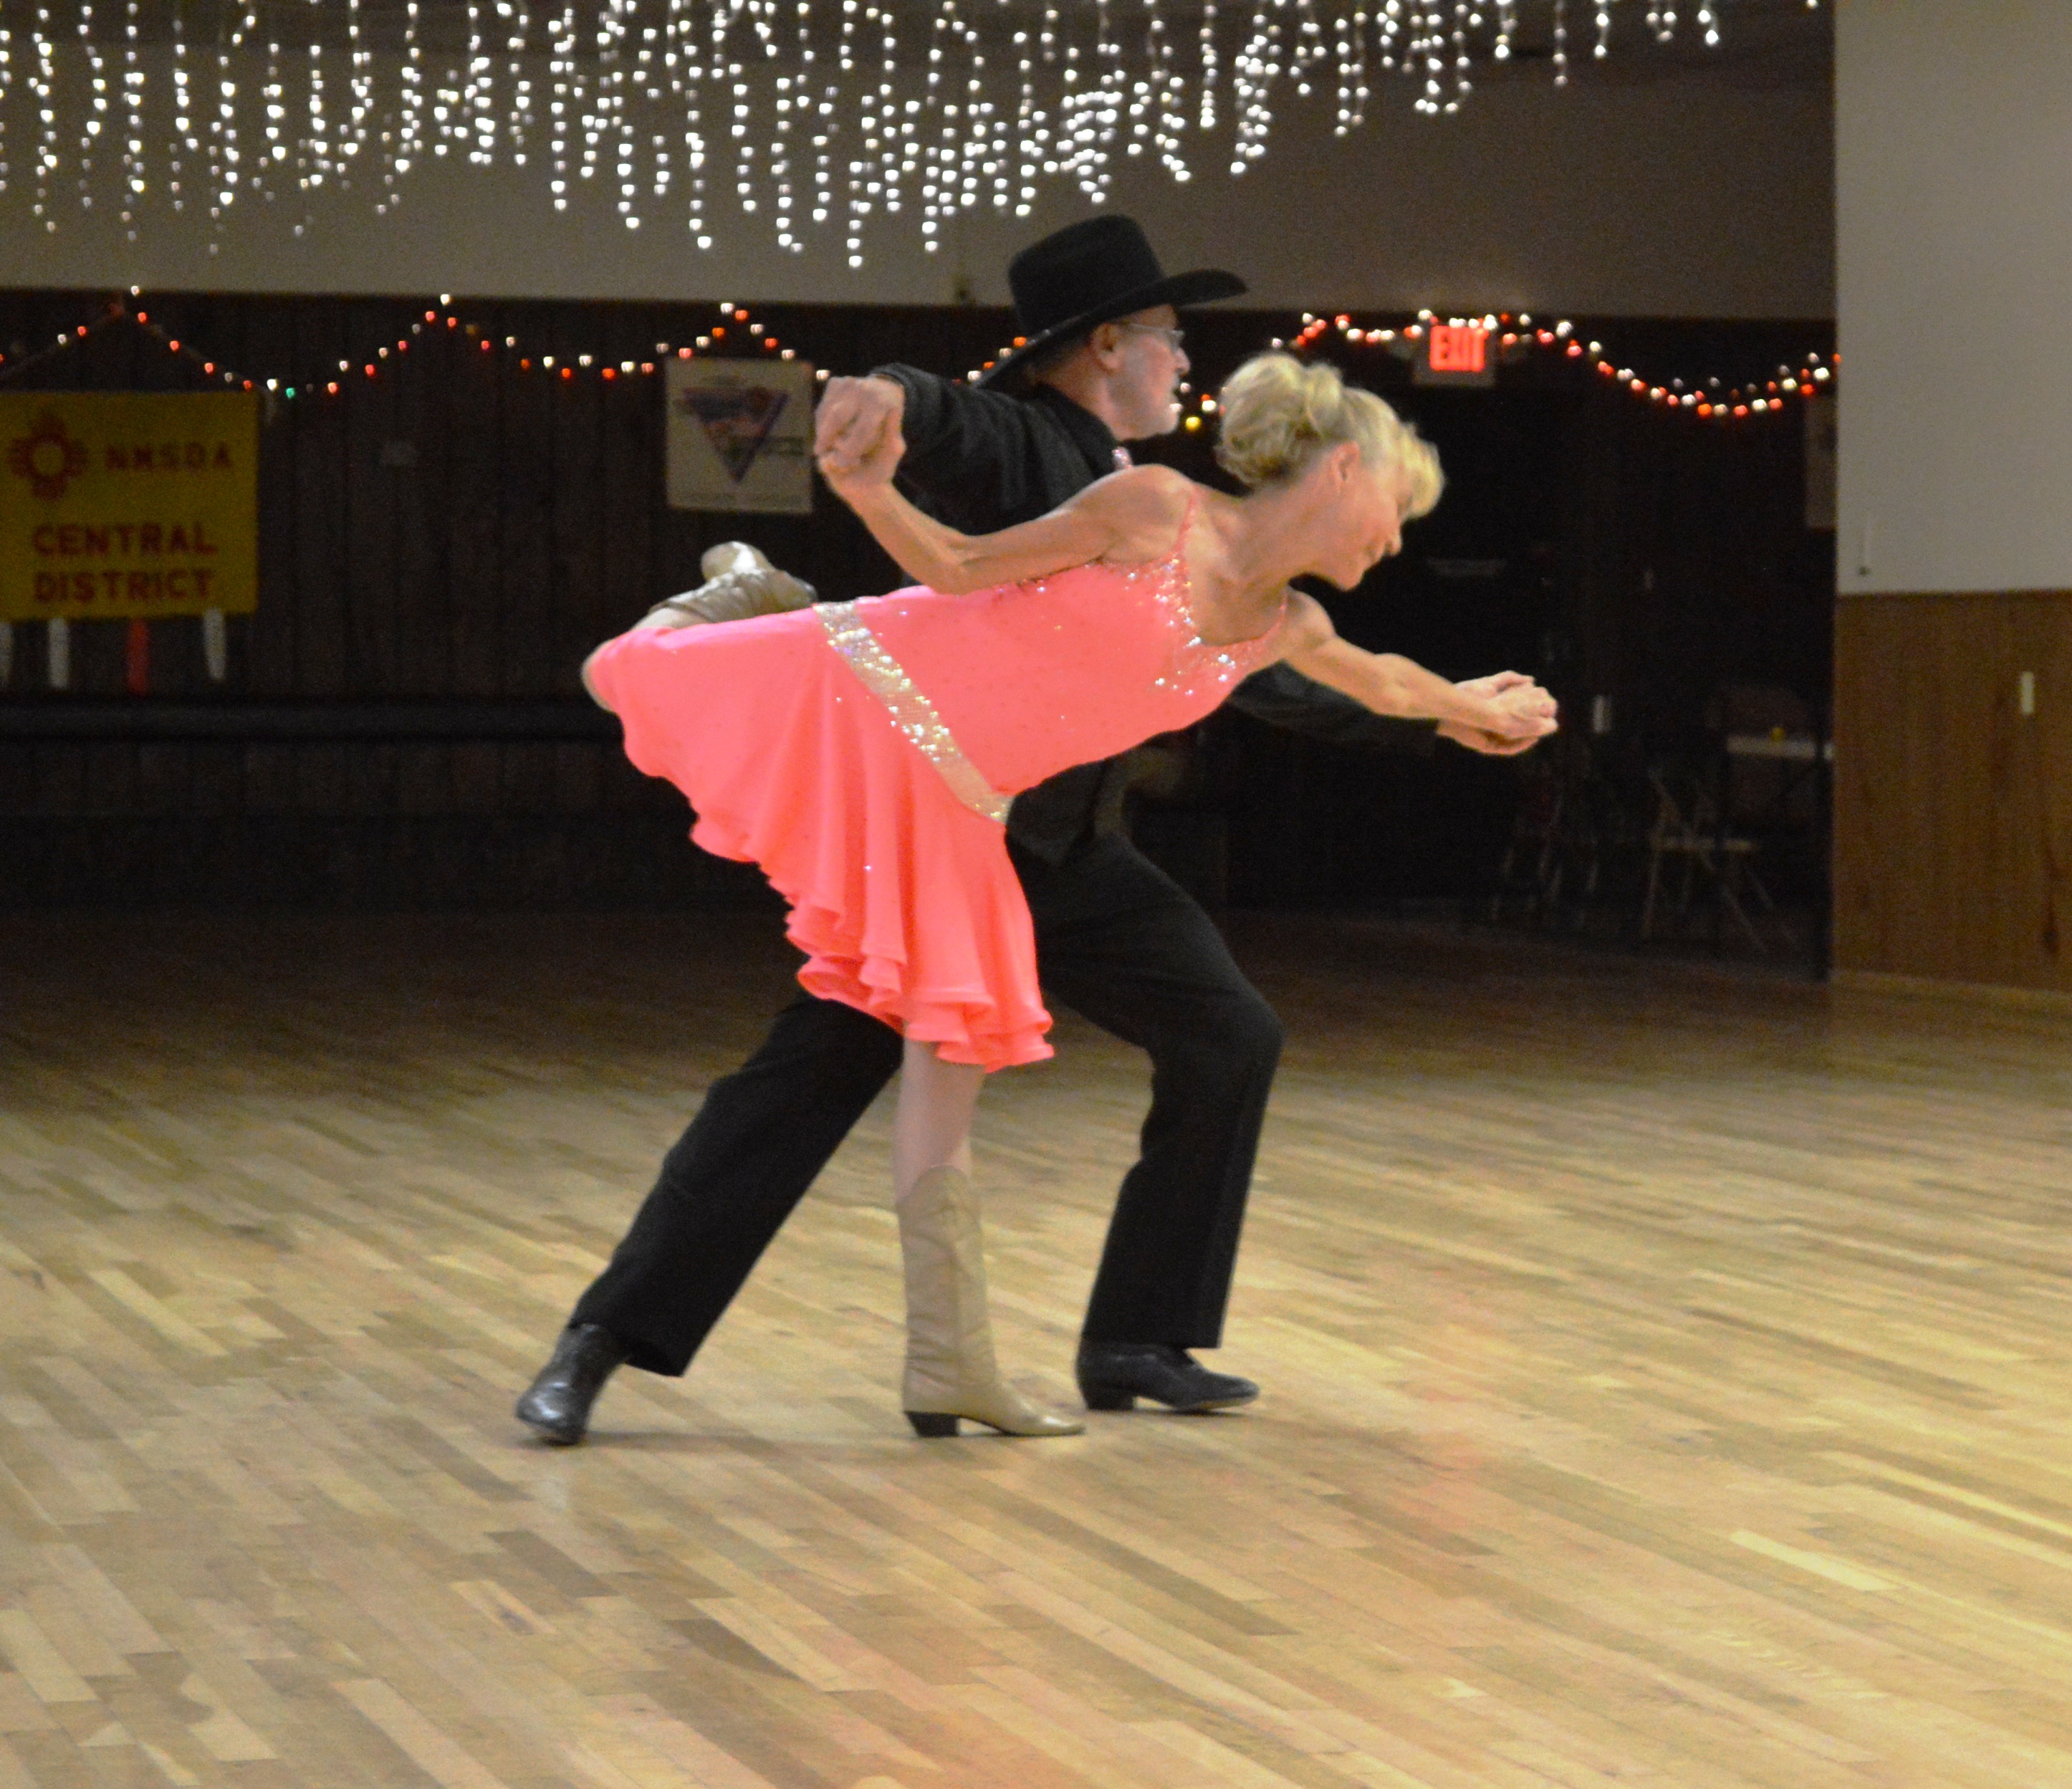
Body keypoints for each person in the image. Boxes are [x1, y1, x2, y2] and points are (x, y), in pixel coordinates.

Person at [517, 216, 1550, 1447]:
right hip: (936, 830)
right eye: (1169, 335)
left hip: (1067, 851)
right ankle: (604, 1337)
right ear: (1108, 342)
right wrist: (883, 397)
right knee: (801, 1086)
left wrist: (1451, 713)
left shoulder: (1233, 561)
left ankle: (1135, 1336)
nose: (1186, 360)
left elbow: (1277, 667)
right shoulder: (1040, 447)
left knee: (1229, 1035)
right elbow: (942, 425)